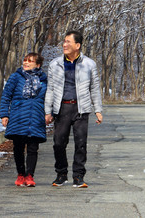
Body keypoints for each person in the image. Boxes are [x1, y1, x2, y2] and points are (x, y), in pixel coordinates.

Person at [45, 30, 103, 188]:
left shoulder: (89, 64)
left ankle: (78, 176)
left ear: (77, 45)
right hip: (62, 107)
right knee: (58, 143)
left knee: (81, 144)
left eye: (68, 42)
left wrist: (98, 110)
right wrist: (48, 112)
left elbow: (94, 88)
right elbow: (50, 89)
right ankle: (61, 174)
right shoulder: (55, 64)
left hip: (81, 108)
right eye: (64, 41)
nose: (64, 45)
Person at [0, 52, 48, 187]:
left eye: (30, 61)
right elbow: (6, 96)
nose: (26, 63)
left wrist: (49, 114)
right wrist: (4, 115)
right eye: (25, 60)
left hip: (36, 117)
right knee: (18, 148)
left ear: (38, 65)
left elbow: (49, 99)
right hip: (18, 117)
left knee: (33, 148)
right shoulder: (16, 77)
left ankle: (30, 176)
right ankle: (21, 174)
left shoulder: (44, 80)